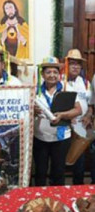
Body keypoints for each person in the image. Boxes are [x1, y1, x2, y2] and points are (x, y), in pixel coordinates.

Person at [33, 57, 82, 186]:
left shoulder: (67, 89)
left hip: (61, 138)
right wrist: (32, 111)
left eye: (55, 72)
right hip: (40, 138)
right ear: (42, 74)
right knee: (40, 172)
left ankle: (58, 200)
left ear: (59, 74)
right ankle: (39, 200)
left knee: (59, 171)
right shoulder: (34, 91)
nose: (52, 75)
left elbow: (78, 110)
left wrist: (63, 115)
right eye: (48, 72)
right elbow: (24, 111)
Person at [64, 49, 93, 185]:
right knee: (60, 162)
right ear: (66, 65)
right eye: (72, 63)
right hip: (64, 128)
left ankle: (78, 188)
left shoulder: (86, 83)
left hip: (81, 128)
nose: (75, 67)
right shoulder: (61, 82)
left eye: (78, 64)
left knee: (79, 162)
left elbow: (91, 104)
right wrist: (67, 117)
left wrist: (88, 114)